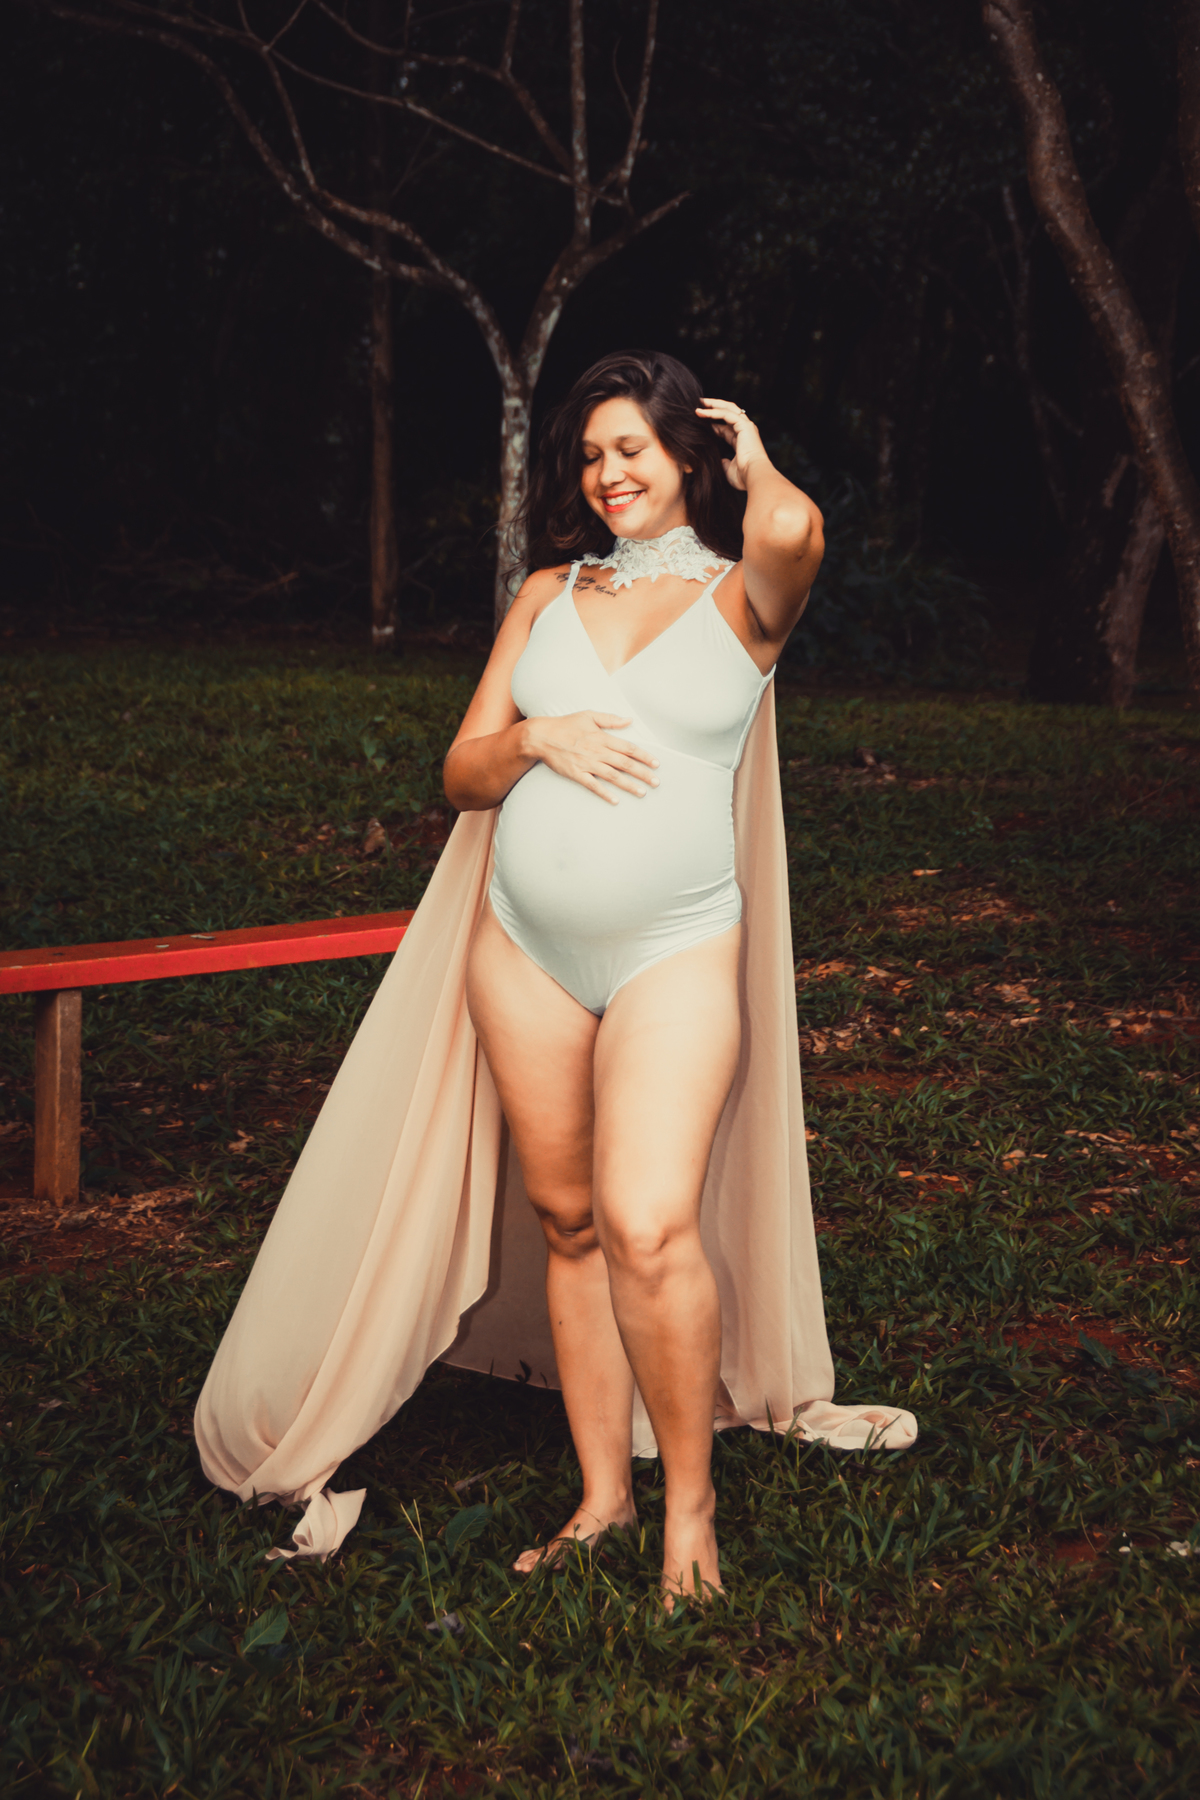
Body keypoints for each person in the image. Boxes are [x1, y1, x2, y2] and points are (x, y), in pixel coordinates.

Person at [193, 350, 916, 1592]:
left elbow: (797, 531)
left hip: (675, 945)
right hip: (522, 948)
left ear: (689, 454)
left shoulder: (746, 597)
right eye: (588, 456)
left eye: (631, 448)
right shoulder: (547, 593)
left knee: (648, 1221)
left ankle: (690, 1516)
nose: (605, 474)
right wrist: (537, 735)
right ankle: (604, 1498)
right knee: (573, 1223)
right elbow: (461, 773)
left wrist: (755, 458)